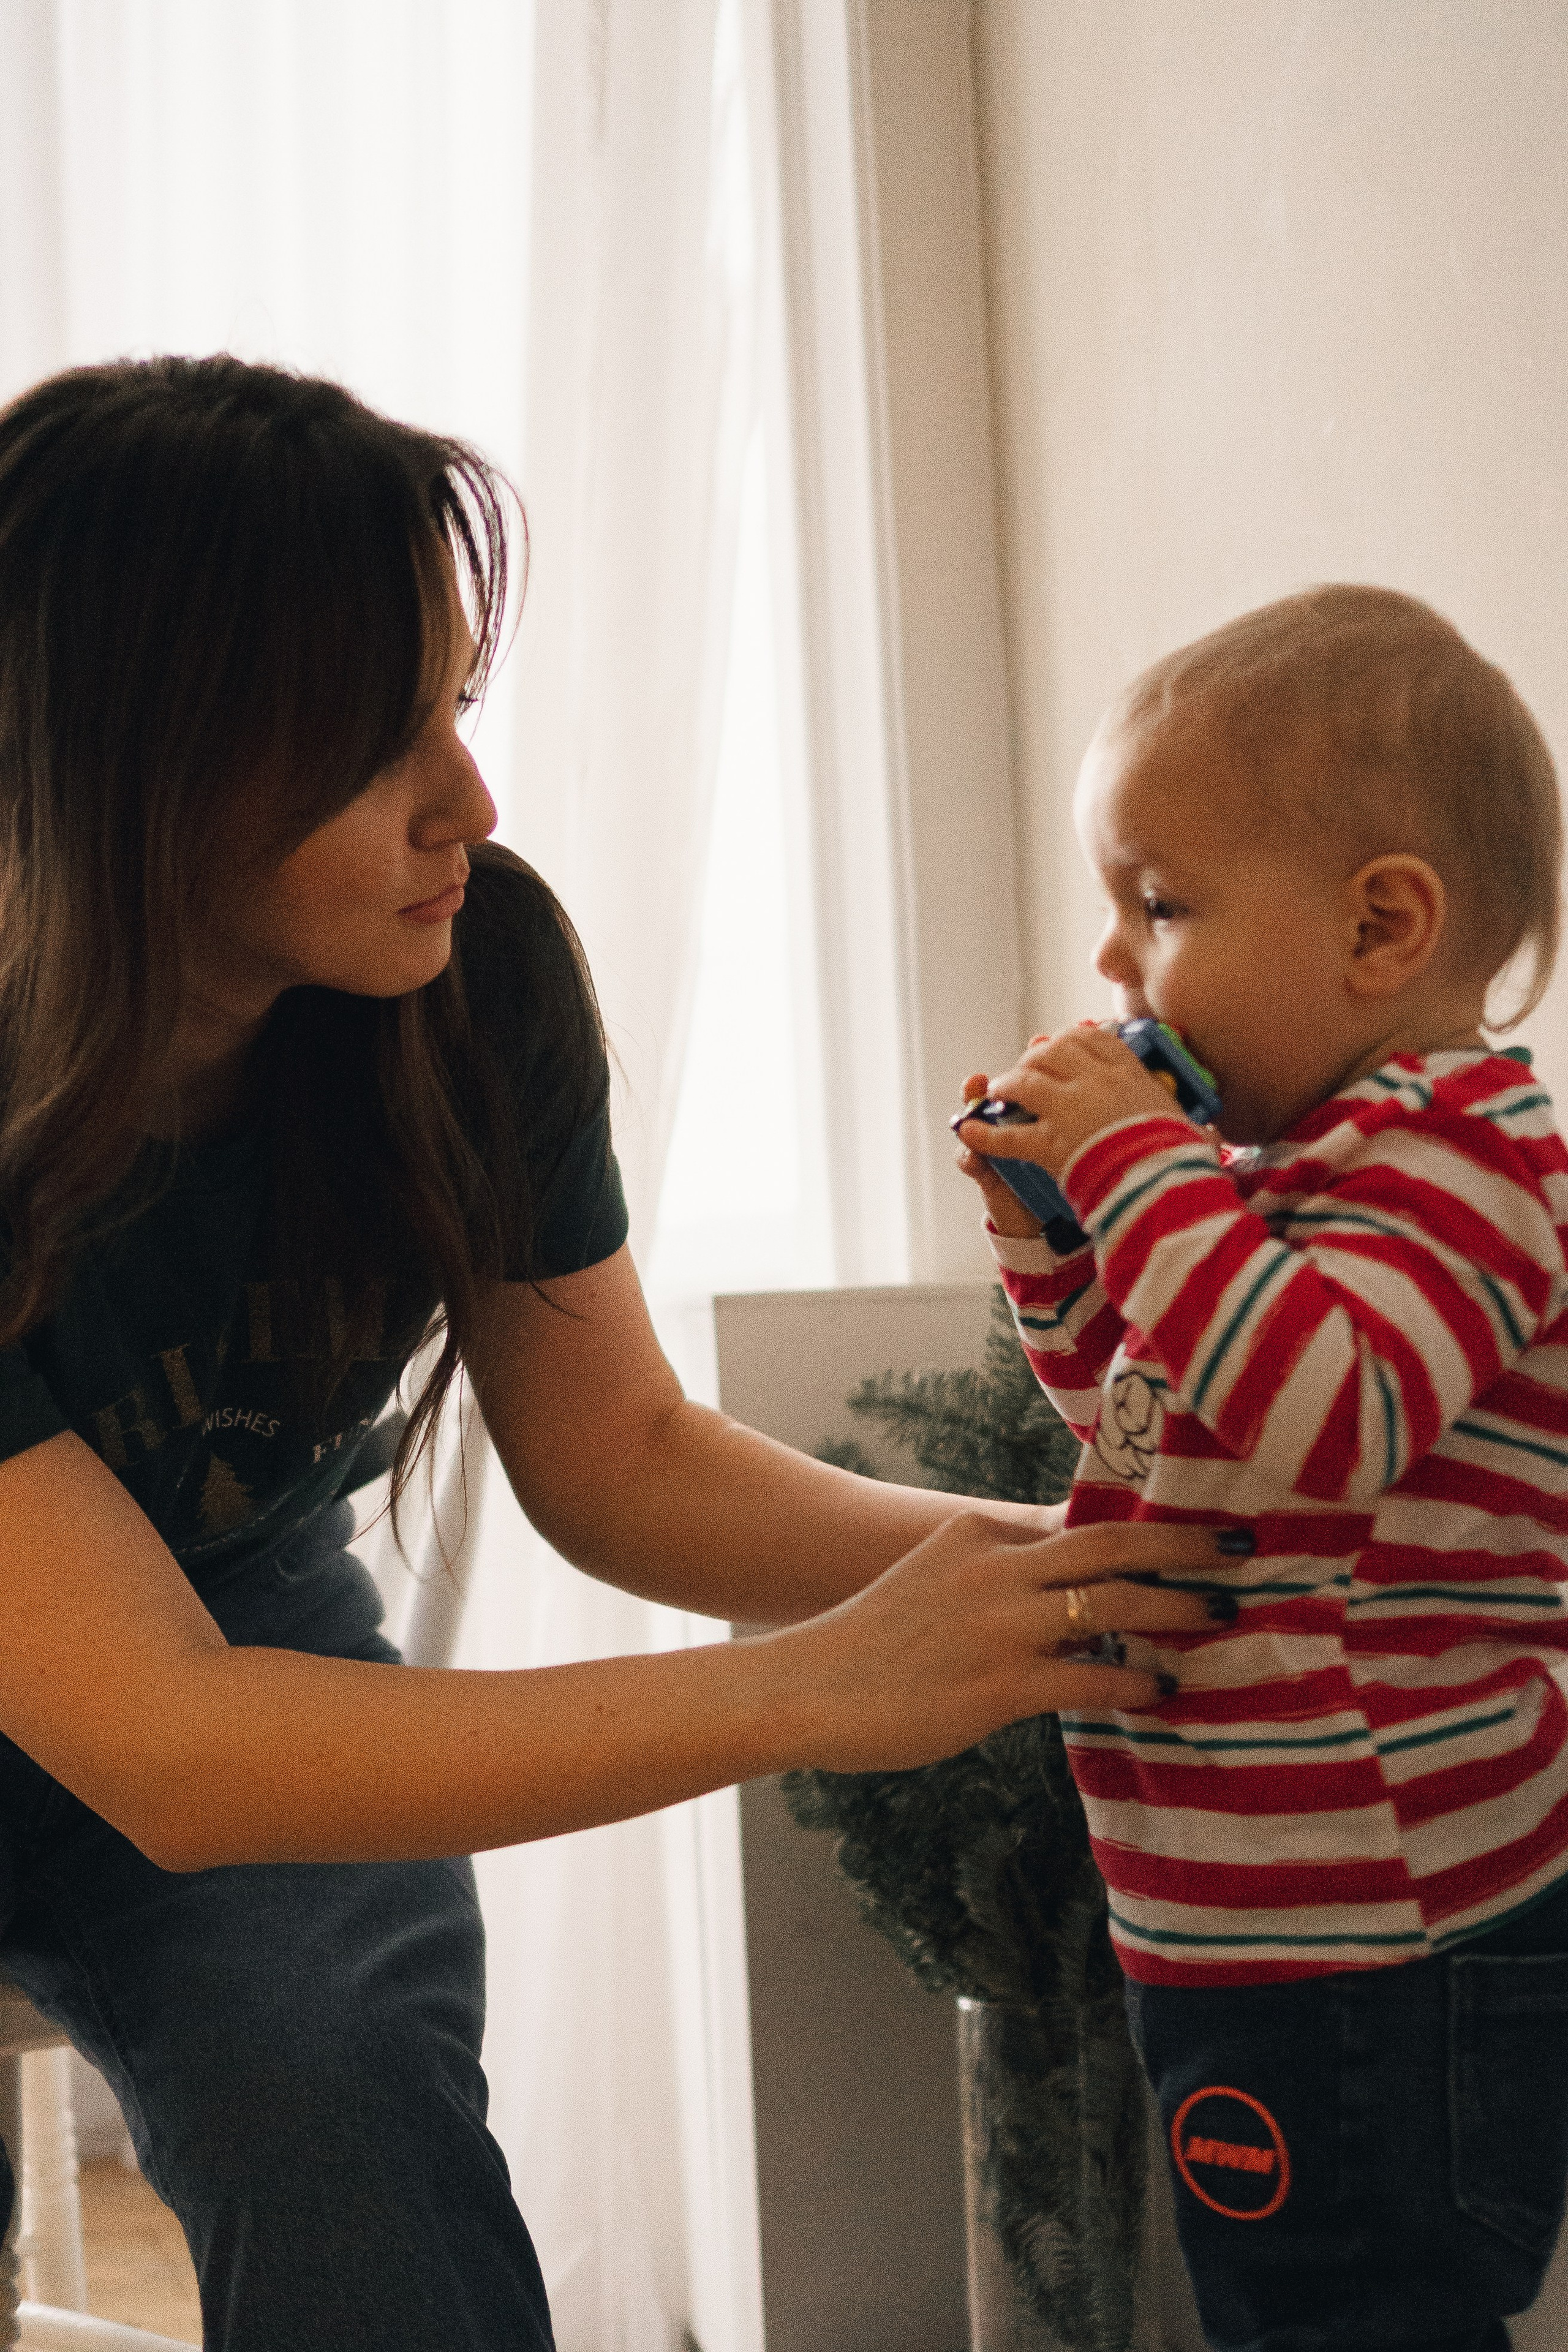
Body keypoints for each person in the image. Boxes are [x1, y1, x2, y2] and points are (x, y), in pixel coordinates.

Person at [0, 354, 1226, 2352]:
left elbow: (624, 1457)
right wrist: (821, 1693)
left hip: (226, 1616)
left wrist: (1044, 1566)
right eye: (375, 741)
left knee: (357, 2136)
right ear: (134, 765)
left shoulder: (463, 984)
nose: (470, 804)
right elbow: (172, 1751)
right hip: (178, 1693)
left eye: (457, 710)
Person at [956, 582, 1568, 2352]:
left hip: (1388, 1930)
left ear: (1384, 928)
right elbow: (1153, 1440)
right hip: (1250, 1916)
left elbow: (1328, 1424)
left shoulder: (1460, 1159)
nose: (1115, 966)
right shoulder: (1277, 1190)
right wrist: (1059, 1253)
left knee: (1354, 2316)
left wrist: (1146, 1170)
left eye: (1160, 904)